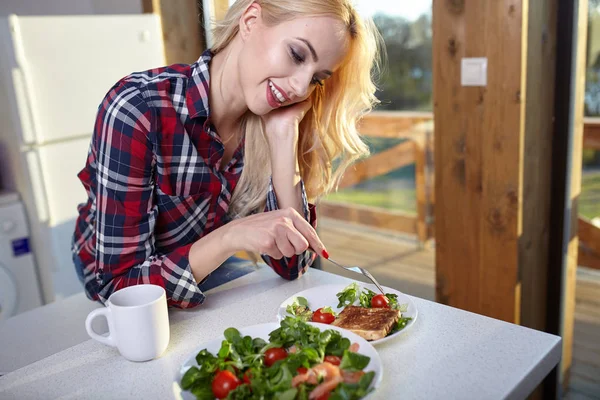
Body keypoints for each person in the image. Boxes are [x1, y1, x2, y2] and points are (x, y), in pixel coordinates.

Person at [72, 0, 382, 308]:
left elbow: (293, 265)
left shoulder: (270, 122)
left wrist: (283, 138)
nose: (301, 88)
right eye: (297, 54)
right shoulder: (137, 109)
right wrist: (231, 236)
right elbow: (118, 286)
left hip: (202, 273)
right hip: (113, 286)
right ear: (250, 21)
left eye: (317, 79)